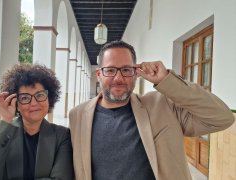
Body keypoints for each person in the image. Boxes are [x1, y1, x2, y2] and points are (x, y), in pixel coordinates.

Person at [69, 40, 235, 180]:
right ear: (99, 74)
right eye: (110, 70)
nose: (118, 78)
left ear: (136, 73)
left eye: (126, 70)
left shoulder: (162, 106)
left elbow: (222, 118)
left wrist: (167, 80)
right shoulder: (78, 115)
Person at [0, 64, 74, 180]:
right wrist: (6, 120)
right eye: (24, 98)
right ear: (16, 104)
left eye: (40, 95)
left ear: (49, 99)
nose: (34, 103)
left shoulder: (62, 135)